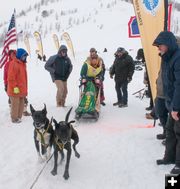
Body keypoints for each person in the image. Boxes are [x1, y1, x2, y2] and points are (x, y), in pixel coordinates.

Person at [153, 31, 180, 174]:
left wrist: (176, 107)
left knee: (179, 133)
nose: (158, 49)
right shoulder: (167, 57)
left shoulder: (178, 58)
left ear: (168, 44)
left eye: (160, 46)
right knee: (170, 131)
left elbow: (178, 85)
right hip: (172, 103)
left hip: (177, 104)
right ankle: (169, 158)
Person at [4, 50, 31, 116]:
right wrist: (8, 85)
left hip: (21, 87)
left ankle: (21, 113)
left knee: (22, 101)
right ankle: (14, 116)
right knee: (14, 102)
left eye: (14, 54)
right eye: (11, 54)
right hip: (12, 86)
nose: (13, 55)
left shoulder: (22, 64)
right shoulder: (11, 64)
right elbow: (8, 76)